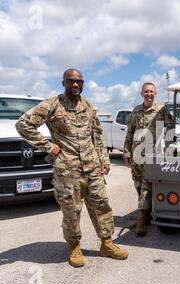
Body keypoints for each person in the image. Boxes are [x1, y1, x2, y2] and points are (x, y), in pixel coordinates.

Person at [16, 68, 129, 268]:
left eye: (78, 81)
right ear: (63, 83)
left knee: (101, 205)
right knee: (72, 211)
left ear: (83, 83)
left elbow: (97, 136)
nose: (75, 84)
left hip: (93, 167)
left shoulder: (89, 107)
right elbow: (23, 124)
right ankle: (74, 246)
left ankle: (107, 243)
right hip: (67, 170)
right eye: (71, 81)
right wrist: (48, 146)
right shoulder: (52, 105)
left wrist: (104, 159)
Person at [123, 82, 173, 236]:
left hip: (152, 156)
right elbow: (130, 132)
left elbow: (170, 128)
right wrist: (126, 152)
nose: (149, 94)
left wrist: (167, 148)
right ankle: (147, 215)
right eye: (146, 92)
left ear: (155, 94)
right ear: (141, 94)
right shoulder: (136, 110)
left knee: (146, 188)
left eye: (151, 91)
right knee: (138, 186)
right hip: (136, 155)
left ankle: (141, 220)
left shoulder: (161, 110)